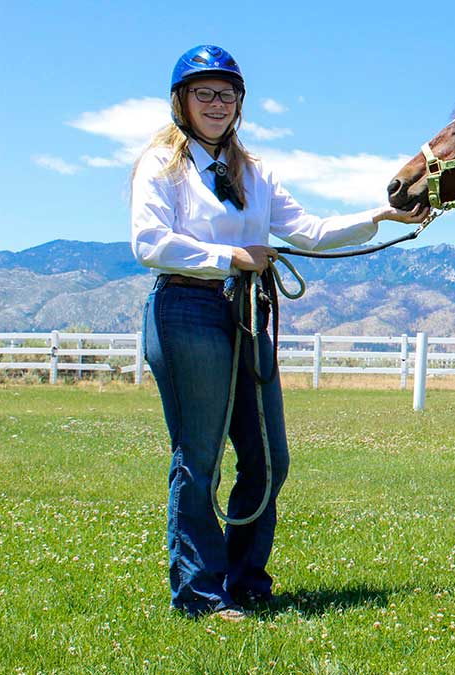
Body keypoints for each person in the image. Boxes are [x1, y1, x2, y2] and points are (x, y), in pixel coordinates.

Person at [131, 45, 425, 621]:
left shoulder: (255, 171)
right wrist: (230, 256)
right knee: (200, 457)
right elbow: (148, 242)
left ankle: (243, 581)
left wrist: (377, 218)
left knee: (269, 459)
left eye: (227, 94)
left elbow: (309, 231)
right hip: (188, 310)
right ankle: (199, 592)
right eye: (204, 93)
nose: (216, 104)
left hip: (246, 314)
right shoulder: (160, 167)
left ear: (240, 103)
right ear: (181, 102)